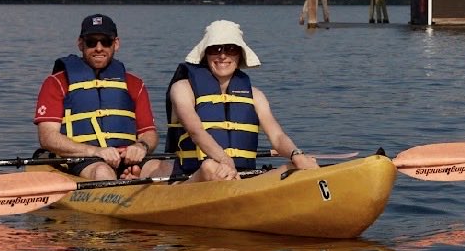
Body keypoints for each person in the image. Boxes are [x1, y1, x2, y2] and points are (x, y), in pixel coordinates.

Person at [152, 19, 318, 182]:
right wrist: (224, 160)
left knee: (294, 168)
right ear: (205, 54)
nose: (223, 56)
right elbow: (196, 132)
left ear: (240, 55)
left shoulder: (256, 96)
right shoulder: (182, 89)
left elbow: (277, 136)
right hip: (194, 176)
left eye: (231, 49)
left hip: (243, 177)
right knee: (210, 167)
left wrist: (297, 154)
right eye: (215, 49)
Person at [33, 14, 158, 180]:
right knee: (102, 171)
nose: (99, 48)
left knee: (160, 167)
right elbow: (47, 137)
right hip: (83, 160)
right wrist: (96, 152)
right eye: (91, 42)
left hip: (128, 159)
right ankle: (120, 190)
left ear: (116, 44)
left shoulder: (135, 84)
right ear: (80, 44)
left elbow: (149, 133)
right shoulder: (56, 83)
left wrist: (141, 146)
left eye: (106, 41)